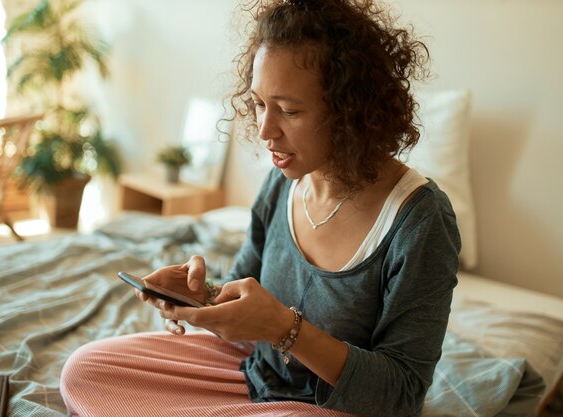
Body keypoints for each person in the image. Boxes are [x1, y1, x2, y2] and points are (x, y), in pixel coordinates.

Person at [60, 0, 460, 416]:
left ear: (351, 111)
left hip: (332, 408)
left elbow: (401, 394)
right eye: (259, 104)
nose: (266, 131)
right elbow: (240, 287)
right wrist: (200, 295)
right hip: (257, 375)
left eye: (289, 110)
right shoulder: (285, 180)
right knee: (86, 369)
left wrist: (283, 328)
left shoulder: (419, 220)